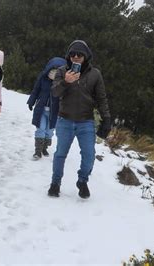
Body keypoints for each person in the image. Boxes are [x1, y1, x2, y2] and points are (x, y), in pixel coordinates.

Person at [48, 40, 111, 199]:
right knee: (60, 154)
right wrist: (66, 82)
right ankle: (55, 183)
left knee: (89, 156)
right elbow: (54, 93)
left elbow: (101, 98)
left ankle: (82, 181)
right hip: (65, 120)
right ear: (68, 56)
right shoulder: (62, 71)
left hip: (86, 121)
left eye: (79, 54)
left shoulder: (95, 74)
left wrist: (106, 119)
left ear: (86, 56)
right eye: (72, 54)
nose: (75, 57)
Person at [27, 57, 66, 160]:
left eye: (57, 71)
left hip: (54, 113)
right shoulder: (43, 78)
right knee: (41, 129)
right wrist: (31, 101)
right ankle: (38, 151)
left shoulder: (63, 84)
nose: (53, 73)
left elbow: (66, 98)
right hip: (41, 109)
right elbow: (36, 90)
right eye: (52, 70)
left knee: (49, 132)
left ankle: (44, 147)